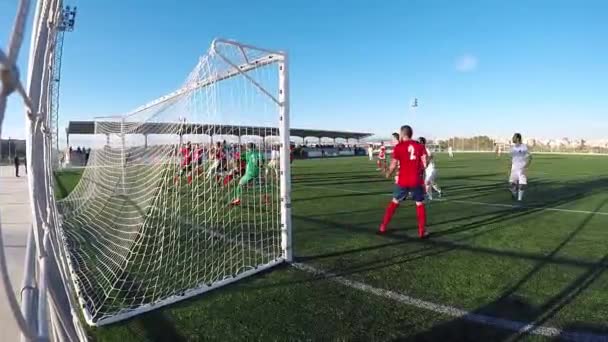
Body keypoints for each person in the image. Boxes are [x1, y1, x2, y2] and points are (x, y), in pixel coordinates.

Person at [379, 125, 428, 238]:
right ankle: (421, 231)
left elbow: (393, 165)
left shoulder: (399, 147)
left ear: (402, 134)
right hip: (416, 180)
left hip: (403, 180)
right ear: (411, 134)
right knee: (419, 203)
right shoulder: (419, 146)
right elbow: (425, 164)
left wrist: (388, 173)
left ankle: (383, 226)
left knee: (395, 201)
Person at [509, 133, 531, 202]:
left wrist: (526, 166)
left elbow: (530, 157)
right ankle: (514, 193)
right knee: (511, 184)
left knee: (522, 184)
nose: (513, 138)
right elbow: (511, 157)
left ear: (518, 138)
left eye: (514, 137)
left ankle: (519, 199)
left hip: (522, 169)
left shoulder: (524, 147)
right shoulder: (512, 148)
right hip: (514, 169)